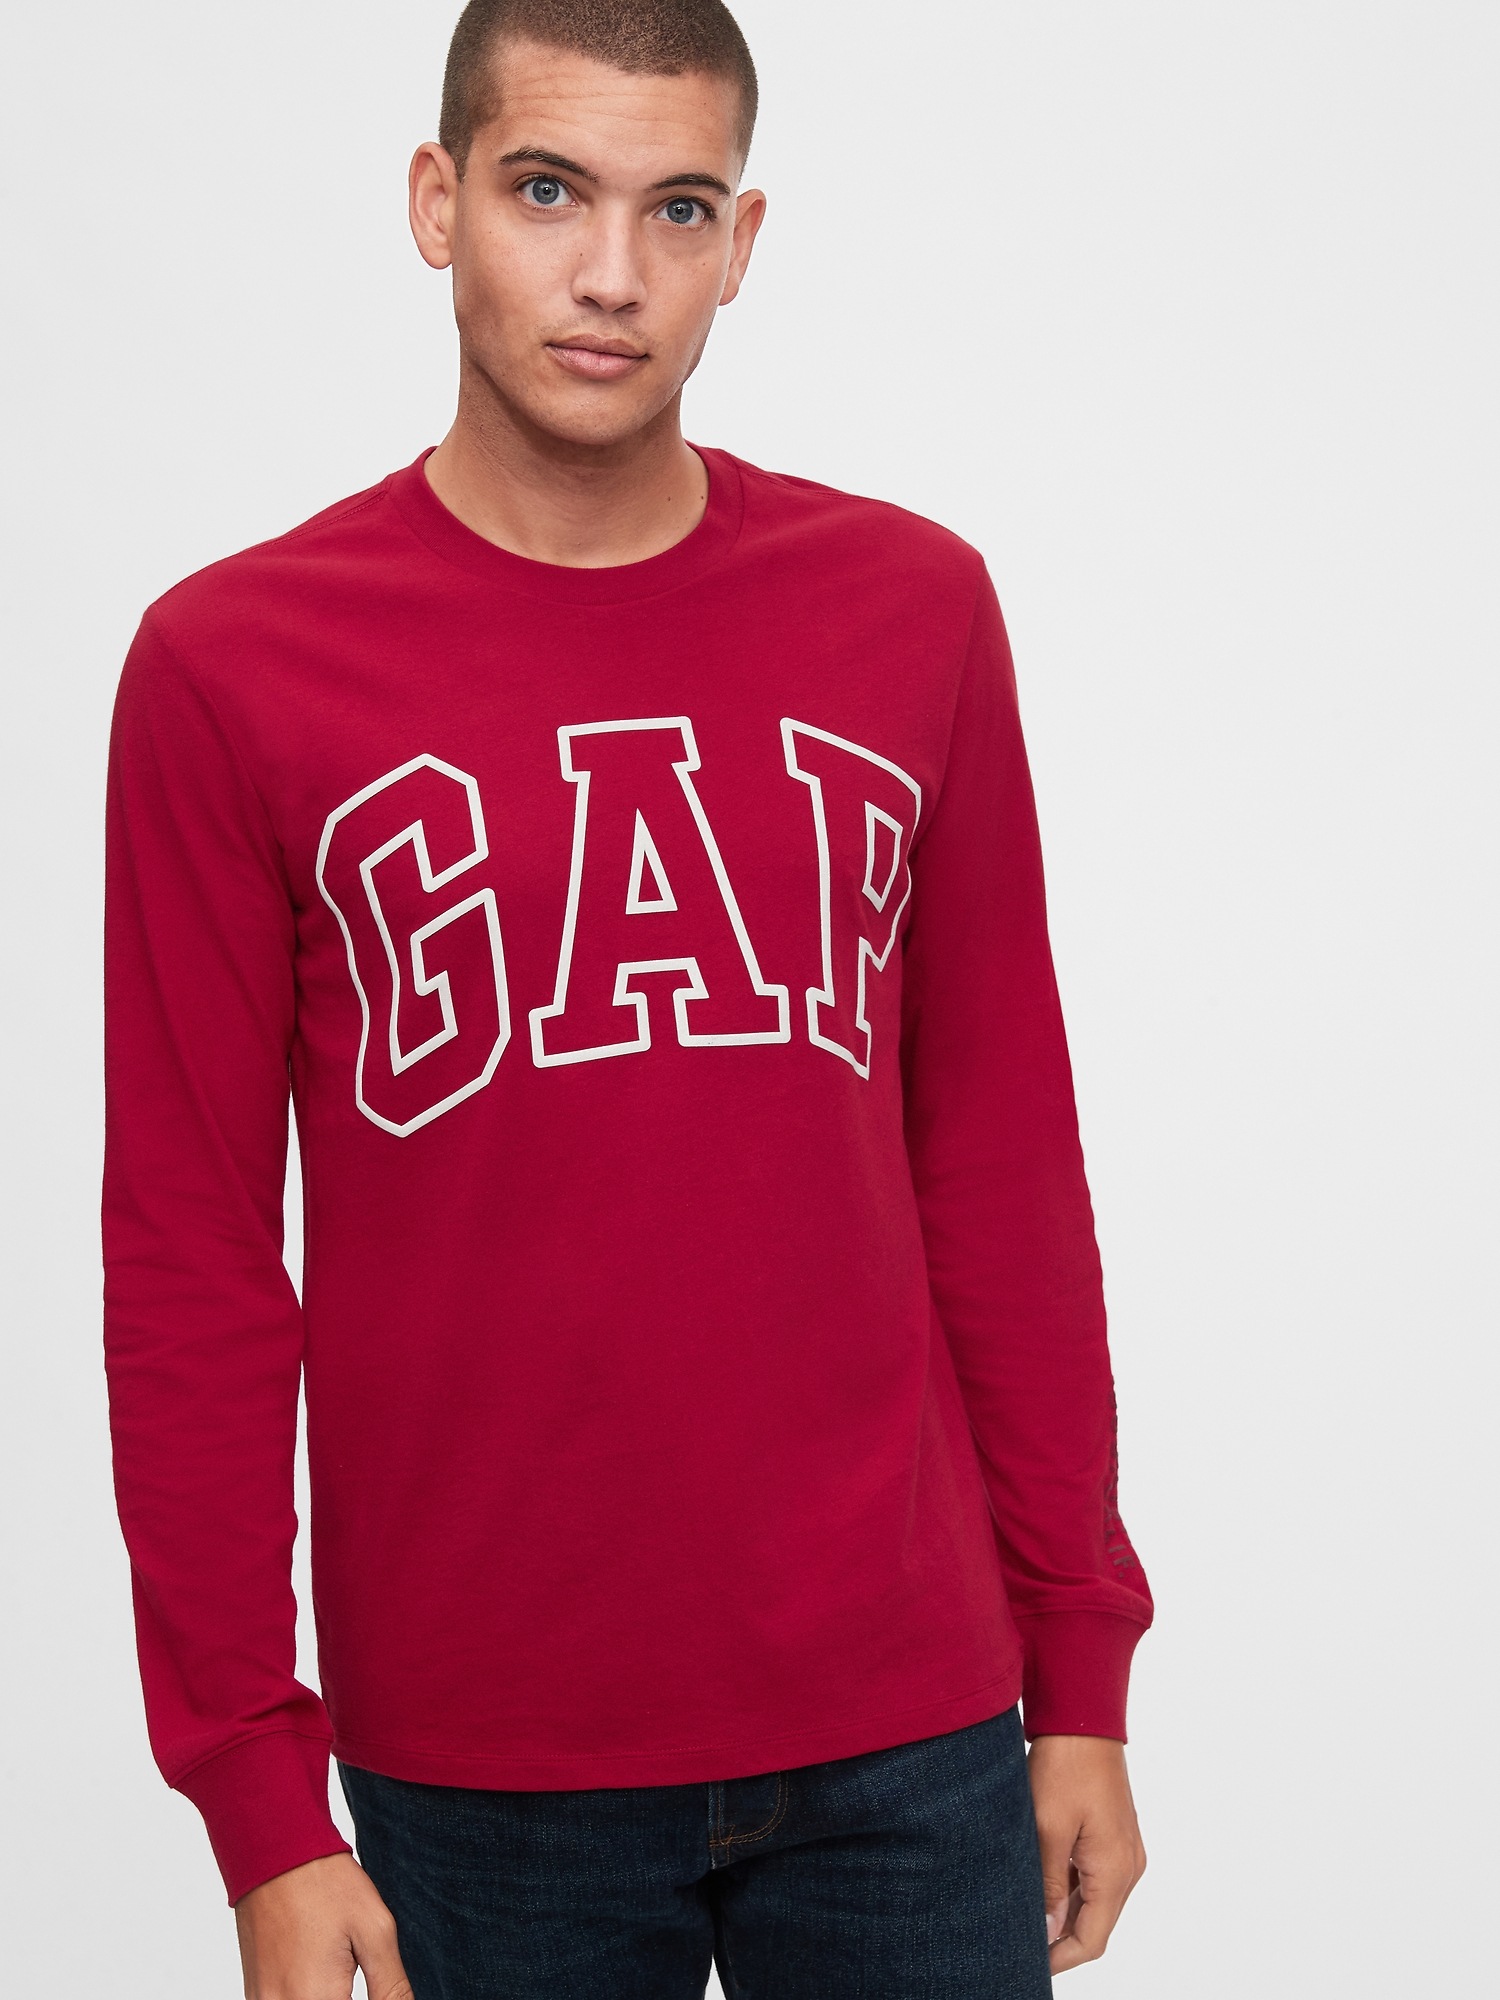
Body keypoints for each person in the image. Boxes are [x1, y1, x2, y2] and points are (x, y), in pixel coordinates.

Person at [102, 2, 1153, 1994]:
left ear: (741, 241)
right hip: (480, 1766)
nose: (611, 272)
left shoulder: (913, 609)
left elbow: (1003, 1167)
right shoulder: (231, 667)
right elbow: (192, 1262)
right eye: (546, 191)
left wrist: (1079, 1663)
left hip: (910, 1727)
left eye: (676, 208)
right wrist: (256, 1791)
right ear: (438, 204)